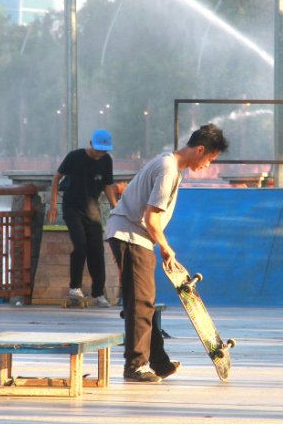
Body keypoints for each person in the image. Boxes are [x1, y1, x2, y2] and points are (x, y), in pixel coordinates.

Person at [105, 124, 228, 383]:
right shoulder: (168, 169)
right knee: (140, 302)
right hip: (131, 235)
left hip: (132, 235)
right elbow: (152, 219)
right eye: (210, 159)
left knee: (142, 300)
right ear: (200, 150)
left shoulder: (168, 164)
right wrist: (166, 247)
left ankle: (158, 362)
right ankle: (136, 366)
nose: (207, 165)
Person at [47, 129, 117, 307]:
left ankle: (98, 293)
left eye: (104, 150)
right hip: (72, 208)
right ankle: (74, 287)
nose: (100, 153)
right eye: (99, 149)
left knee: (97, 250)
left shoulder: (106, 161)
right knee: (80, 245)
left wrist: (116, 207)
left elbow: (108, 185)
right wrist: (54, 204)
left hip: (92, 209)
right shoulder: (75, 157)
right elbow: (57, 178)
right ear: (91, 143)